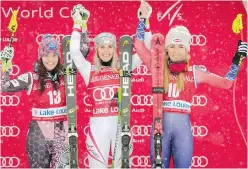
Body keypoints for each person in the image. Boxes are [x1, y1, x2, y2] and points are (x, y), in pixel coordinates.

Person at [134, 4, 248, 168]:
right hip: (160, 125)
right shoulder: (158, 67)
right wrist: (143, 19)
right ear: (167, 49)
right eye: (172, 46)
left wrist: (237, 61)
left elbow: (226, 84)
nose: (176, 50)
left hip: (183, 129)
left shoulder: (195, 72)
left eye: (180, 46)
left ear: (186, 49)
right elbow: (138, 46)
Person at [69, 3, 152, 168]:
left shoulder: (124, 66)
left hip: (121, 126)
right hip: (97, 128)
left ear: (115, 50)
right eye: (102, 47)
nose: (106, 51)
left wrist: (144, 20)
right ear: (97, 50)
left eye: (109, 47)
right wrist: (77, 24)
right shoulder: (89, 70)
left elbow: (145, 49)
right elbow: (75, 53)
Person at [0, 34, 77, 168]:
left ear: (59, 56)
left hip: (62, 131)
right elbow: (4, 86)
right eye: (46, 55)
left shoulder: (67, 75)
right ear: (40, 57)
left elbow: (82, 54)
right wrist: (5, 65)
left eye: (54, 55)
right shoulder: (31, 77)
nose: (50, 60)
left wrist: (80, 25)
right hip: (39, 132)